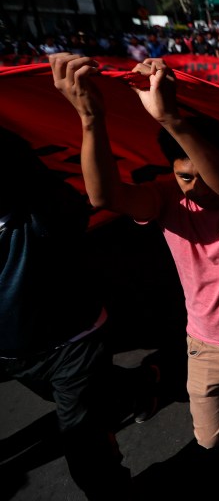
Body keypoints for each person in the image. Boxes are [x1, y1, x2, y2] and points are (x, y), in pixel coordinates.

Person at [52, 54, 219, 501]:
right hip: (204, 348)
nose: (196, 188)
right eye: (185, 177)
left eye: (205, 174)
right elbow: (102, 194)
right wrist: (90, 117)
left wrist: (170, 118)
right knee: (207, 439)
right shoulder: (165, 200)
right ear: (171, 174)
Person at [0, 128, 137, 501]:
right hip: (16, 357)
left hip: (71, 343)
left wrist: (89, 118)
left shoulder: (40, 208)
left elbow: (80, 209)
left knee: (84, 448)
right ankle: (141, 387)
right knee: (91, 395)